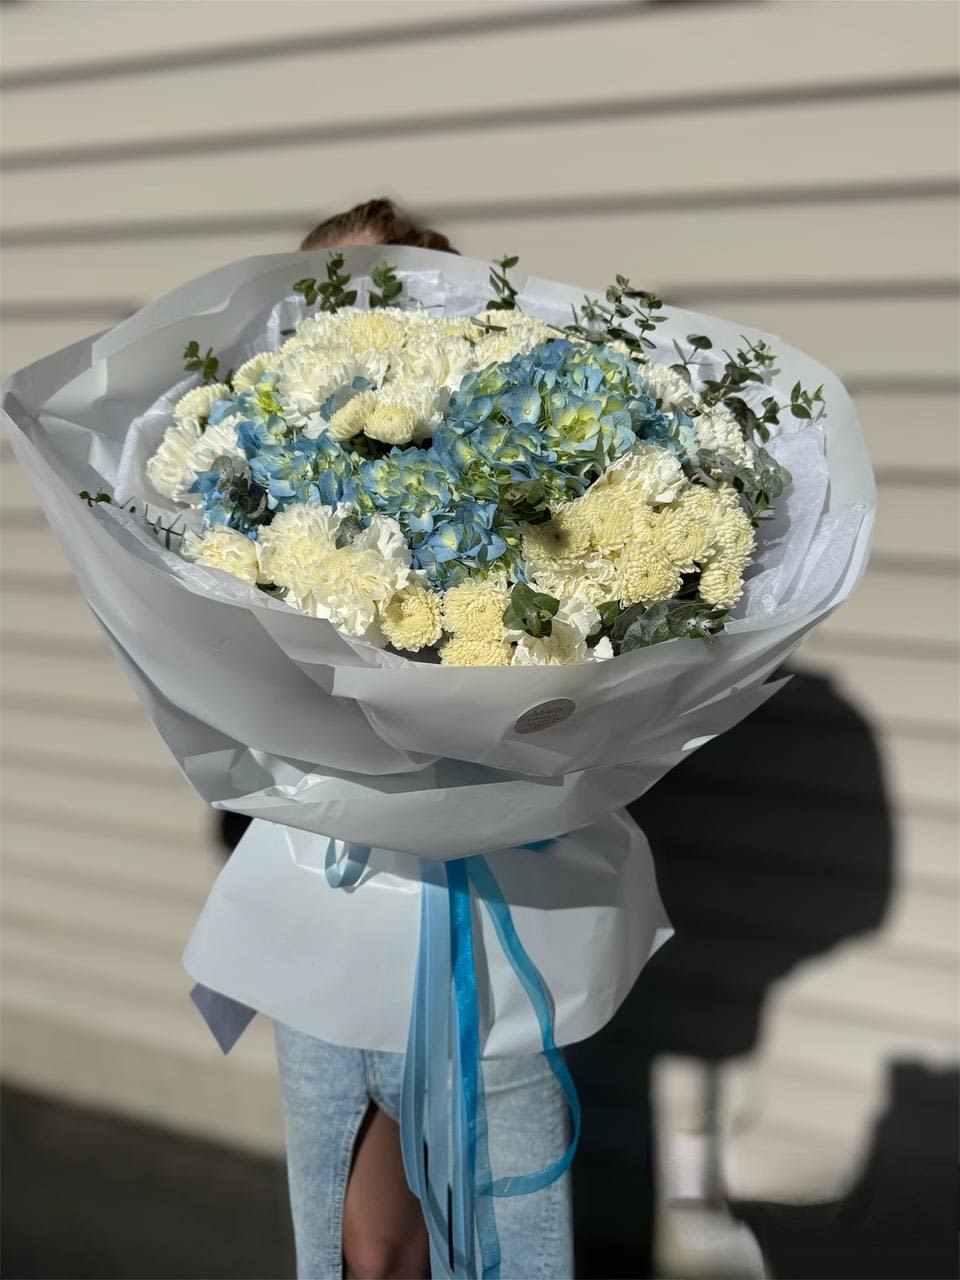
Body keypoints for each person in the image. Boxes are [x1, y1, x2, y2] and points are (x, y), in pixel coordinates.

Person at [270, 197, 574, 1280]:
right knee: (363, 1235)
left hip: (487, 917)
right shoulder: (256, 504)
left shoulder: (529, 503)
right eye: (335, 309)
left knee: (492, 1220)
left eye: (399, 304)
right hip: (329, 907)